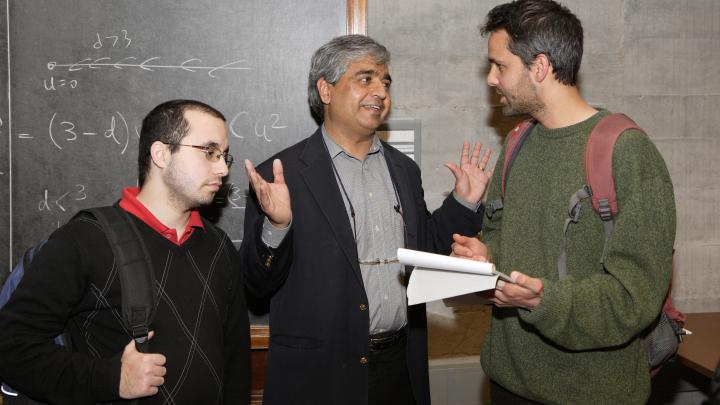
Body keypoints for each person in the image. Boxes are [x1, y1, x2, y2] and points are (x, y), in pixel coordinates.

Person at [242, 35, 489, 405]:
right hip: (320, 375)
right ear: (325, 90)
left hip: (400, 366)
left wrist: (464, 203)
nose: (380, 91)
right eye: (365, 78)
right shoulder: (281, 175)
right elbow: (256, 286)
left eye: (385, 82)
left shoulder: (404, 170)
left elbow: (425, 252)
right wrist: (277, 226)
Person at [450, 0, 676, 403]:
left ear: (539, 67)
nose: (490, 78)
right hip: (507, 382)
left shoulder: (628, 153)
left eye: (500, 66)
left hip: (592, 393)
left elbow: (634, 298)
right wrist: (485, 254)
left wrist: (545, 302)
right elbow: (504, 237)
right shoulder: (517, 144)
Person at [0, 100, 250, 405]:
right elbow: (11, 347)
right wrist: (110, 378)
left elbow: (235, 360)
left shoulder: (219, 247)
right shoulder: (86, 240)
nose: (223, 168)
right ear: (160, 153)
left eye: (224, 156)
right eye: (209, 152)